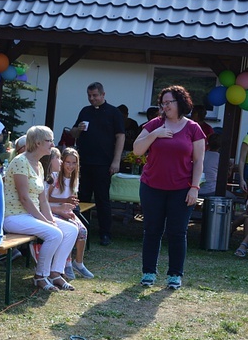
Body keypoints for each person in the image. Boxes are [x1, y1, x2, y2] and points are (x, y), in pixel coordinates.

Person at [133, 85, 205, 290]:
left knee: (177, 232)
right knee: (152, 230)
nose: (165, 107)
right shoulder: (154, 124)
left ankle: (175, 275)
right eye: (162, 103)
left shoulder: (193, 128)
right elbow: (137, 150)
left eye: (169, 102)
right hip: (152, 187)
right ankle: (148, 273)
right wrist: (155, 134)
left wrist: (194, 187)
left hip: (182, 189)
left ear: (180, 102)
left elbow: (199, 161)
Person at [3, 126, 79, 292]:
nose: (52, 144)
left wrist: (50, 219)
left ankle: (55, 273)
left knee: (71, 230)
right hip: (14, 216)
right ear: (37, 143)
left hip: (30, 215)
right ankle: (40, 276)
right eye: (49, 140)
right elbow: (25, 198)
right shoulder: (20, 162)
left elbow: (42, 198)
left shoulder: (38, 164)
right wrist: (45, 221)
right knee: (54, 233)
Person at [71, 82, 125, 246]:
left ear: (103, 94)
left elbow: (120, 136)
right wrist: (78, 129)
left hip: (104, 163)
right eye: (89, 95)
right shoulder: (85, 111)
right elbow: (72, 133)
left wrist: (116, 160)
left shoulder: (113, 112)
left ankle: (105, 234)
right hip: (84, 162)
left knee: (102, 199)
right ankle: (82, 231)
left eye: (95, 95)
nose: (92, 98)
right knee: (82, 198)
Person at [46, 147, 94, 279]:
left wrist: (71, 205)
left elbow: (71, 198)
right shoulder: (55, 176)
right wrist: (64, 201)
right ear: (62, 161)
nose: (71, 166)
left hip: (65, 210)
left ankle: (79, 263)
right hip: (52, 210)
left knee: (83, 231)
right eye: (68, 162)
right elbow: (46, 199)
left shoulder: (74, 178)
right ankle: (66, 263)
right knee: (70, 231)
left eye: (74, 163)